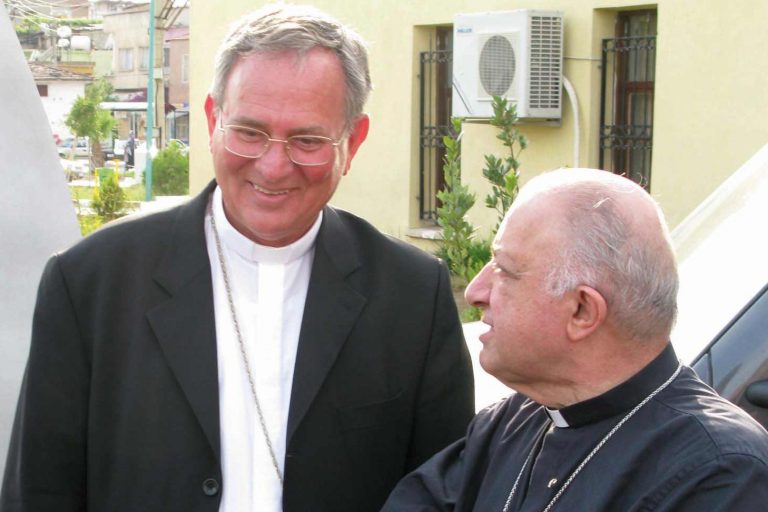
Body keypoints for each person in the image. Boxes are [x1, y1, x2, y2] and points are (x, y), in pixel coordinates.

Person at [0, 5, 474, 512]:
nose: (273, 166)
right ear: (213, 120)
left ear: (352, 142)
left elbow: (445, 494)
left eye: (307, 140)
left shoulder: (412, 296)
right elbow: (39, 495)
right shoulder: (90, 283)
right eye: (249, 132)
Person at [383, 168, 768, 511]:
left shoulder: (720, 472)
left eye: (504, 270)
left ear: (582, 310)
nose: (475, 292)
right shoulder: (510, 423)